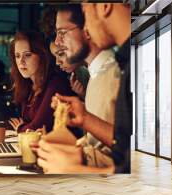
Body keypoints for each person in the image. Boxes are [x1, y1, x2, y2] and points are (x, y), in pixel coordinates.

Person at [33, 3, 131, 174]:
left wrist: (76, 163)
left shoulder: (115, 73)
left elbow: (122, 155)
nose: (57, 42)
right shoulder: (98, 74)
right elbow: (121, 142)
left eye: (62, 33)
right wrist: (84, 119)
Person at [7, 30, 76, 133]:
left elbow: (35, 128)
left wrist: (20, 128)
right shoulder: (29, 85)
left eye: (27, 55)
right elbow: (23, 123)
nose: (21, 61)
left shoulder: (56, 84)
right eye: (17, 56)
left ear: (42, 56)